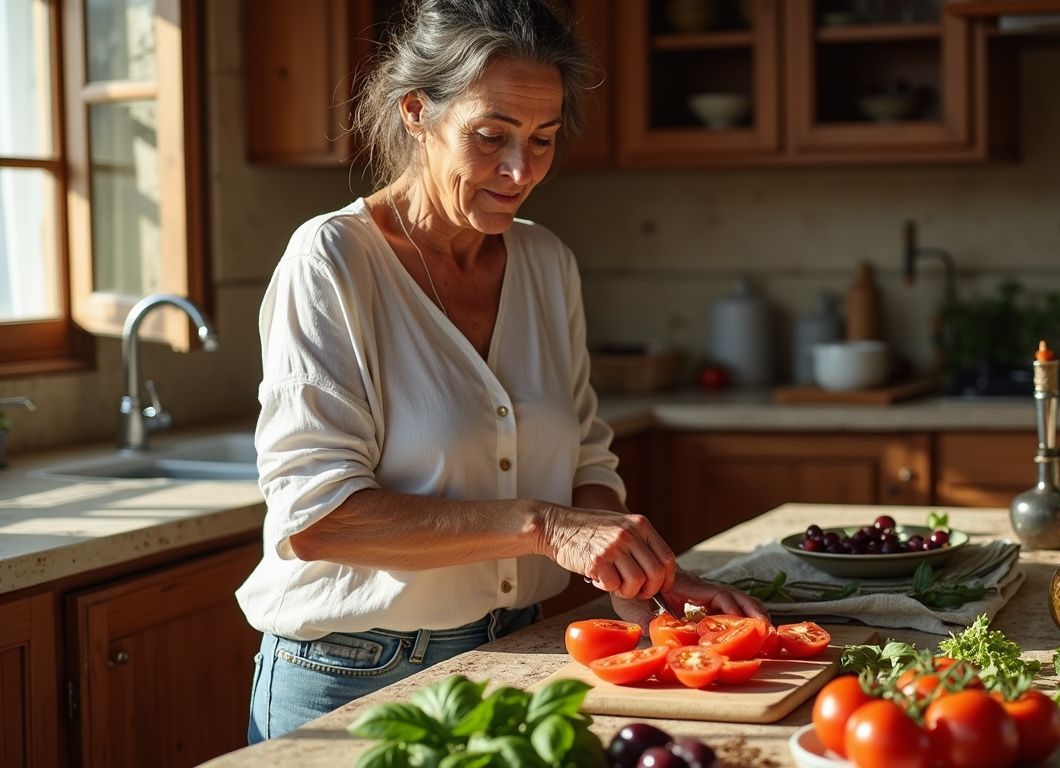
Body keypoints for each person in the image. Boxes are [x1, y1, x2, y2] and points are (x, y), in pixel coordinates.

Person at [237, 0, 766, 743]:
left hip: (515, 652)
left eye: (543, 140)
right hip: (353, 676)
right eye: (491, 137)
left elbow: (584, 451)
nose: (520, 170)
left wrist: (637, 571)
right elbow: (319, 517)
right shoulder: (331, 261)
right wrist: (549, 527)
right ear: (416, 112)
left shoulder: (545, 261)